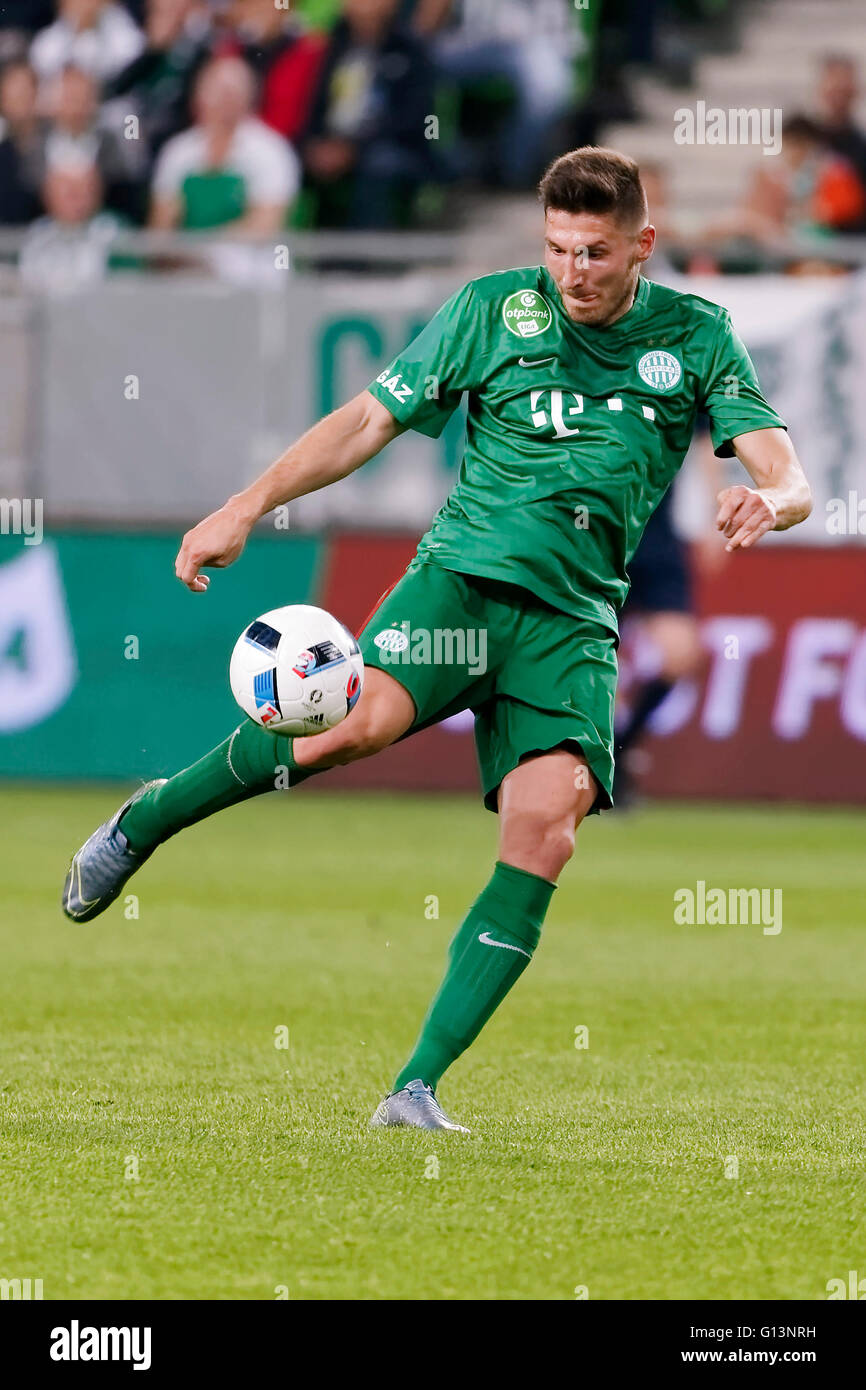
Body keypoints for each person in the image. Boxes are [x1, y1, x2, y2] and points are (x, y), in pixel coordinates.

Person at [62, 147, 812, 1132]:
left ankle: (412, 1088)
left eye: (592, 252)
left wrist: (778, 500)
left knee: (545, 834)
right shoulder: (490, 310)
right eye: (554, 249)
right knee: (339, 730)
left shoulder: (696, 333)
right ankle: (147, 818)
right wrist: (246, 507)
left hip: (573, 622)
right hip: (459, 585)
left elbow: (780, 463)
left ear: (642, 244)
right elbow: (367, 421)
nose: (571, 272)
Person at [301, 0, 437, 229]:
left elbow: (414, 118)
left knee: (378, 164)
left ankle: (367, 256)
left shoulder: (411, 49)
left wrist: (354, 148)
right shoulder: (331, 47)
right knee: (289, 156)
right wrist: (316, 142)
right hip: (333, 142)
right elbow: (314, 104)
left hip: (392, 146)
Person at [149, 54, 299, 233]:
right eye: (219, 91)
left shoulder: (272, 151)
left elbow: (264, 226)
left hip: (249, 259)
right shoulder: (177, 151)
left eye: (233, 92)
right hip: (184, 259)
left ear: (250, 96)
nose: (226, 100)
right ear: (198, 95)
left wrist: (204, 250)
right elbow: (161, 225)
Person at [29, 0, 145, 86]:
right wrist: (77, 31)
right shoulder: (49, 39)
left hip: (111, 103)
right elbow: (43, 67)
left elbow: (134, 58)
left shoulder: (119, 23)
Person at [0, 59, 44, 223]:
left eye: (26, 92)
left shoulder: (55, 146)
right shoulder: (3, 150)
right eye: (14, 94)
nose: (21, 99)